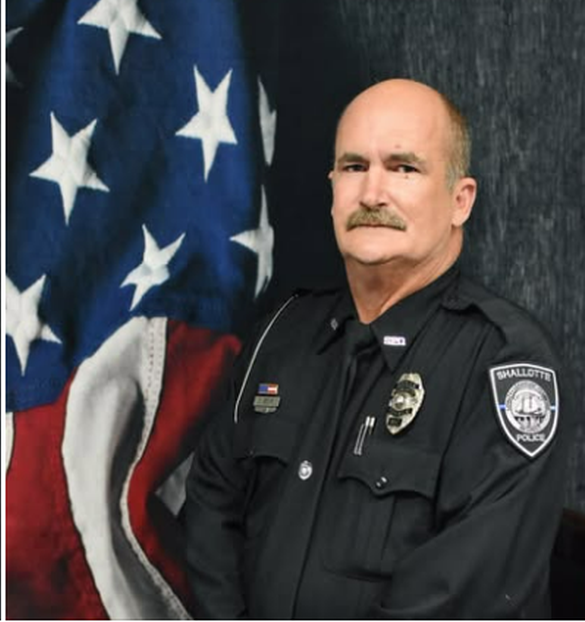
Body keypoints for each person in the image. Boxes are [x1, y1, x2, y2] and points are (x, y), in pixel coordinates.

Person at [184, 79, 570, 618]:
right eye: (354, 167)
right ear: (333, 187)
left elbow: (461, 597)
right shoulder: (282, 334)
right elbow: (209, 509)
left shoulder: (504, 364)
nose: (371, 194)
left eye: (404, 168)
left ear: (460, 201)